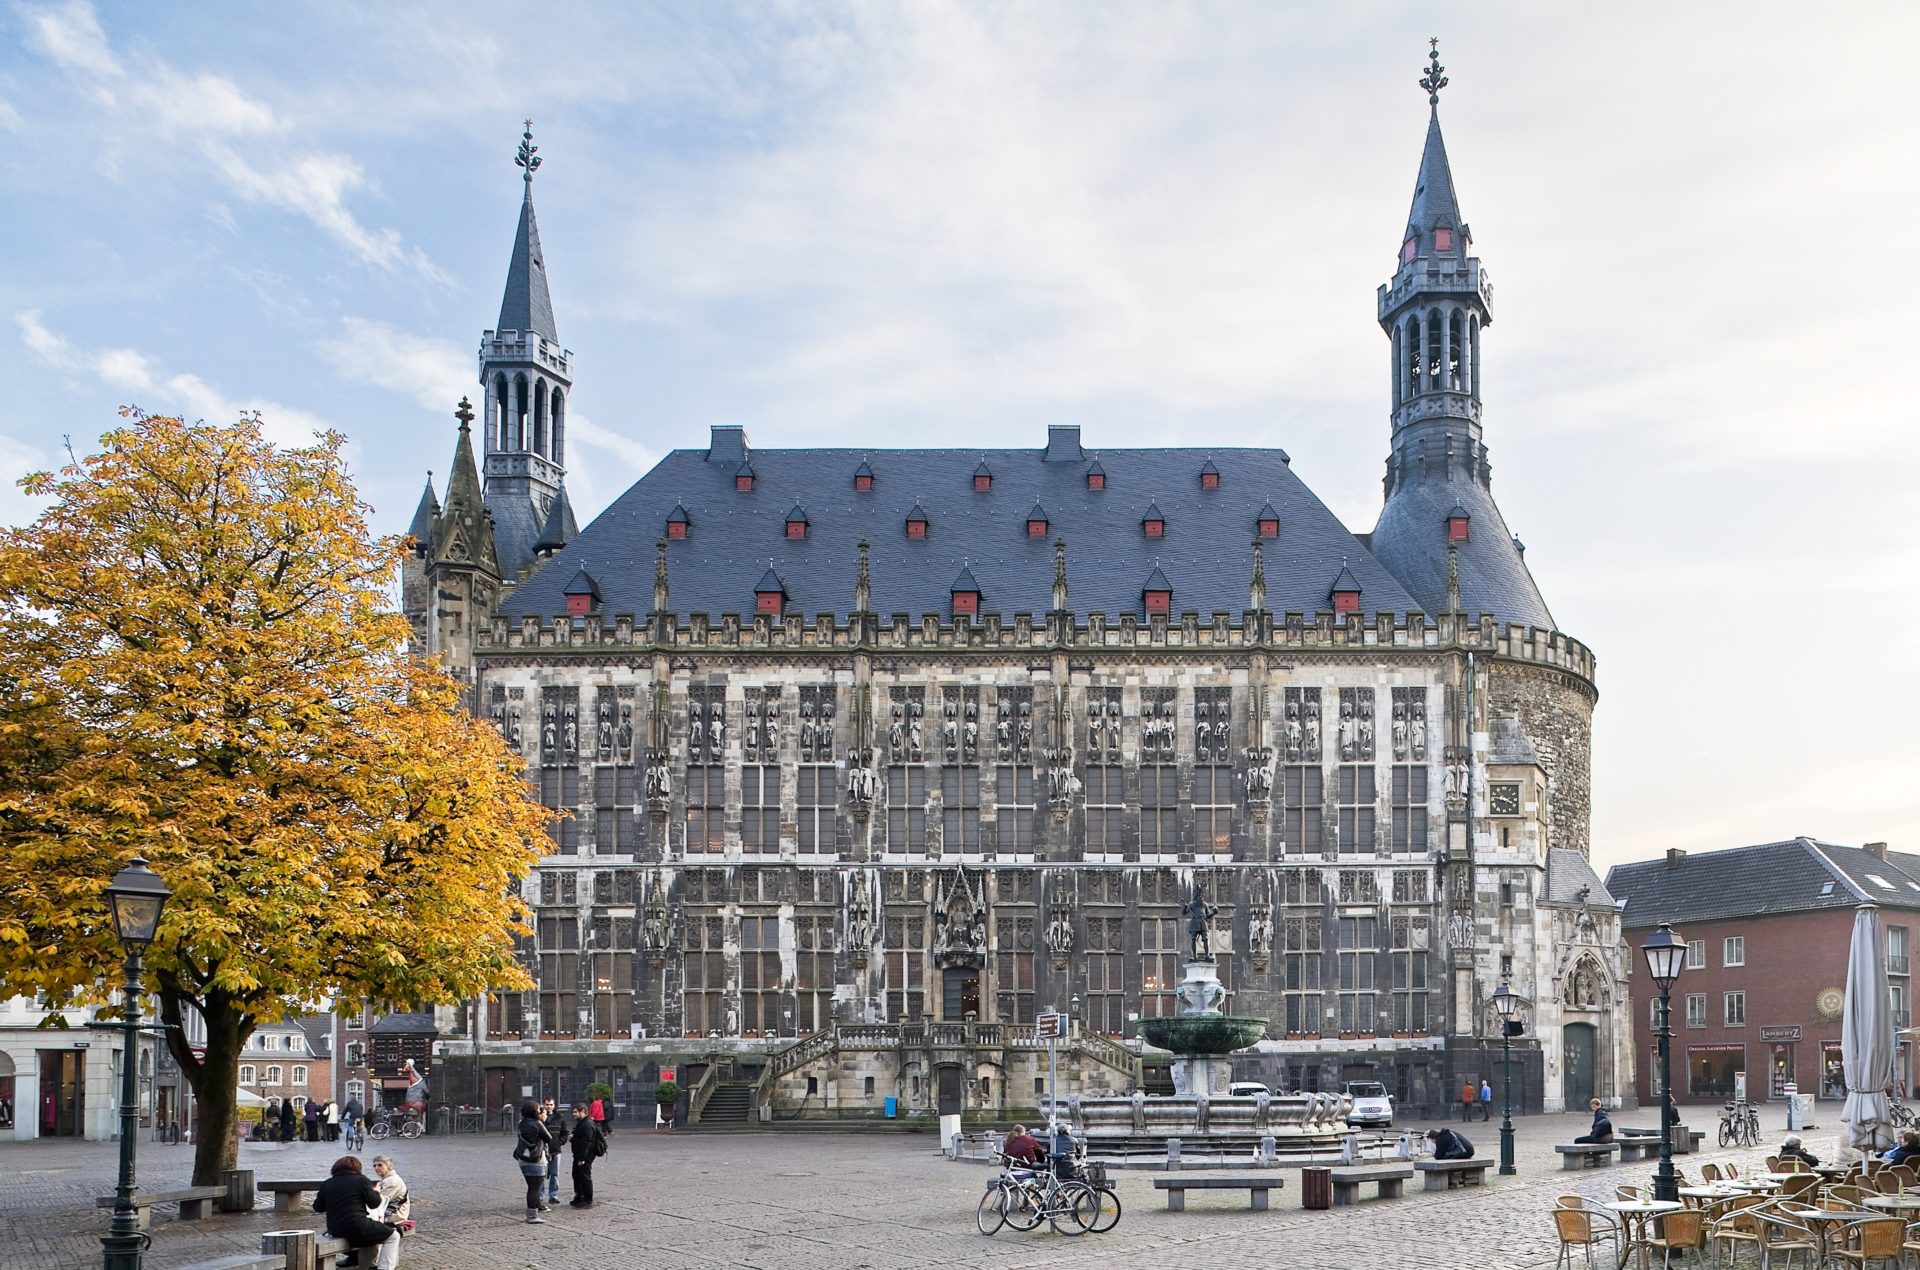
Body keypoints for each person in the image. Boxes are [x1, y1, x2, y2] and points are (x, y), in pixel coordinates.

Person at [313, 1155, 411, 1265]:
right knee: (393, 1236)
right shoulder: (361, 1180)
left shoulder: (327, 1183)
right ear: (357, 1168)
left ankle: (364, 1265)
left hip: (335, 1229)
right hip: (358, 1226)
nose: (376, 1167)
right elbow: (374, 1204)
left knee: (370, 1237)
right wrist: (376, 1192)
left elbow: (318, 1207)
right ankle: (384, 1267)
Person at [516, 1101, 555, 1223]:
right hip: (536, 1159)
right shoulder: (537, 1123)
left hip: (523, 1158)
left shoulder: (521, 1124)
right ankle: (532, 1216)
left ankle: (531, 1214)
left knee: (531, 1187)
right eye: (538, 1109)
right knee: (534, 1188)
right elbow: (549, 1138)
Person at [369, 1155, 410, 1270]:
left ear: (389, 1166)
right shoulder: (387, 1179)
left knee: (370, 1226)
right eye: (375, 1165)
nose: (376, 1168)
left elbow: (379, 1201)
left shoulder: (391, 1181)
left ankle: (373, 1262)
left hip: (395, 1215)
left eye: (380, 1165)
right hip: (390, 1211)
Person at [568, 1102, 605, 1208]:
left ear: (583, 1112)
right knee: (576, 1175)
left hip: (586, 1156)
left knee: (585, 1176)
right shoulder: (582, 1123)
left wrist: (582, 1158)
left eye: (575, 1112)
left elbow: (587, 1142)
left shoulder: (587, 1124)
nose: (573, 1114)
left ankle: (587, 1199)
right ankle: (579, 1196)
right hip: (578, 1154)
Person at [541, 1099, 563, 1206]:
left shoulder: (559, 1118)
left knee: (555, 1174)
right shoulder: (540, 1118)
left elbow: (565, 1132)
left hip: (555, 1149)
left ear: (554, 1105)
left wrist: (559, 1142)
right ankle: (540, 1196)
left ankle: (553, 1196)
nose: (549, 1106)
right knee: (541, 1174)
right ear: (544, 1105)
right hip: (542, 1151)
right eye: (547, 1104)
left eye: (551, 1104)